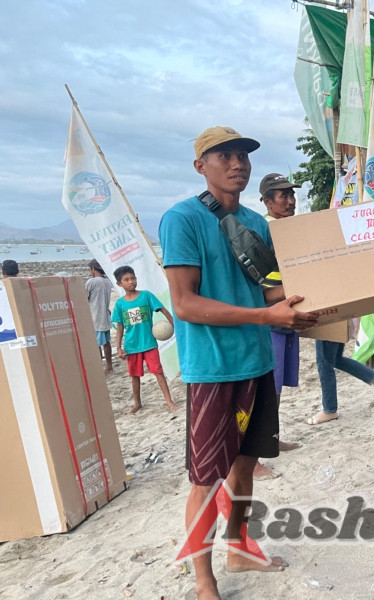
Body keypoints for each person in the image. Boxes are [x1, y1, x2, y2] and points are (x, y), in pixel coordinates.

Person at [159, 126, 317, 599]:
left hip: (257, 363)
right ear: (200, 166)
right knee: (206, 480)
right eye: (223, 156)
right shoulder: (181, 220)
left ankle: (238, 549)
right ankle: (204, 581)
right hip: (212, 370)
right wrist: (265, 315)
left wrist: (302, 311)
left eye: (243, 156)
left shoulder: (258, 222)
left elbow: (271, 290)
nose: (237, 164)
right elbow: (184, 304)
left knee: (244, 469)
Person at [253, 172, 303, 480]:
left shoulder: (289, 229)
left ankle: (271, 440)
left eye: (291, 194)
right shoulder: (265, 229)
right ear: (266, 201)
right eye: (281, 195)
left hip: (287, 314)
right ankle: (253, 459)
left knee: (277, 386)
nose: (289, 200)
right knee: (264, 389)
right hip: (270, 313)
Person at [111, 265, 176, 414]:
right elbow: (120, 327)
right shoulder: (120, 304)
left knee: (158, 372)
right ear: (119, 284)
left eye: (133, 278)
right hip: (132, 345)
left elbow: (163, 310)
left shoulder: (146, 295)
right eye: (126, 280)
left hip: (149, 343)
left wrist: (174, 324)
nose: (131, 282)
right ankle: (137, 403)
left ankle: (169, 401)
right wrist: (119, 347)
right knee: (134, 376)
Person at [307, 339, 374, 425]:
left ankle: (329, 410)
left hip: (327, 328)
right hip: (337, 327)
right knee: (335, 359)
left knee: (324, 363)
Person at [86, 258, 115, 373]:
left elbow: (84, 297)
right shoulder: (107, 282)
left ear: (93, 269)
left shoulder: (91, 282)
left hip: (95, 317)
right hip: (105, 316)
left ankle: (99, 367)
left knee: (96, 344)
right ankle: (109, 365)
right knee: (106, 342)